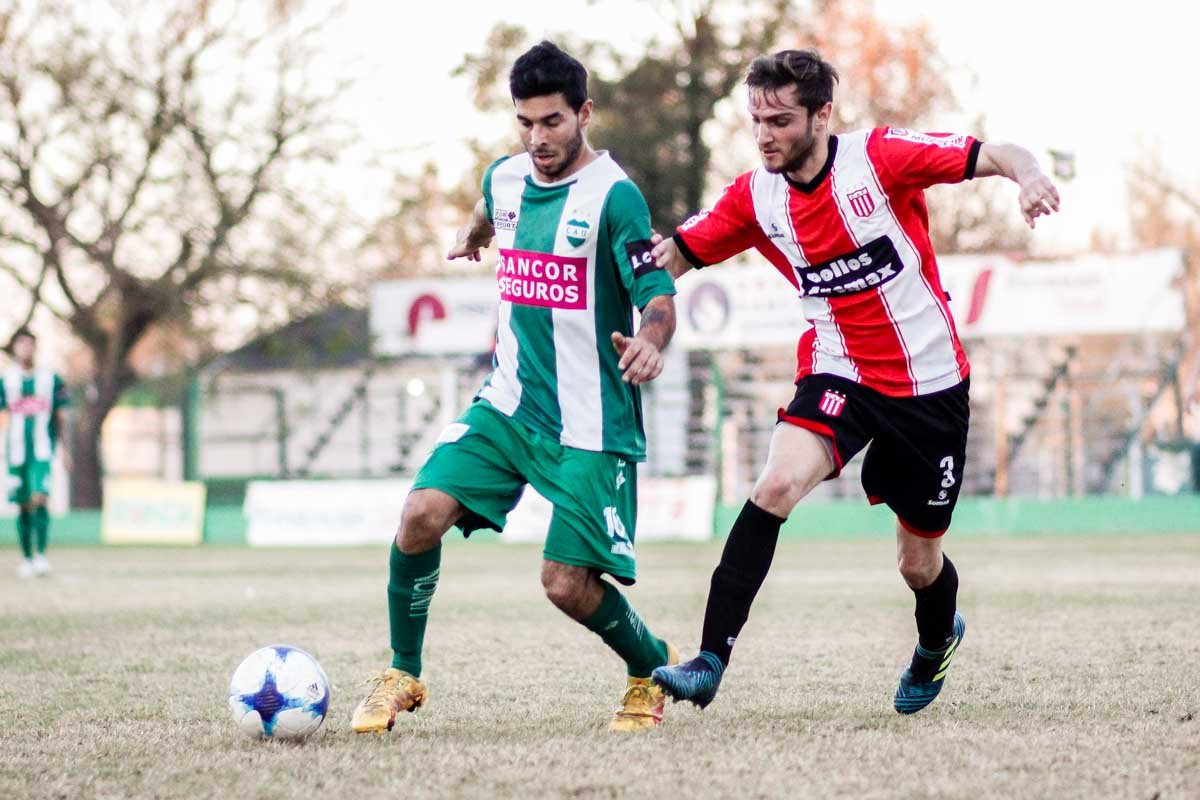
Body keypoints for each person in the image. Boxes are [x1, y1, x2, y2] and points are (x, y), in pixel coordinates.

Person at [648, 49, 1060, 715]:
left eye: (781, 120)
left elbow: (995, 153)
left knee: (917, 564)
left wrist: (1031, 176)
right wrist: (619, 276)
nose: (765, 135)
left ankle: (936, 639)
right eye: (757, 120)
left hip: (930, 383)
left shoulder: (880, 158)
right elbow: (672, 256)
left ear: (822, 116)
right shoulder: (755, 195)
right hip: (838, 368)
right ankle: (709, 659)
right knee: (774, 485)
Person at [352, 41, 680, 734]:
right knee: (419, 515)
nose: (538, 138)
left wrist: (651, 340)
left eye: (552, 121)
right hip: (509, 403)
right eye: (525, 122)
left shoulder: (614, 197)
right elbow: (490, 207)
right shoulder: (505, 178)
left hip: (590, 422)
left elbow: (656, 291)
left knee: (565, 585)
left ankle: (651, 665)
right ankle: (403, 671)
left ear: (584, 113)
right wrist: (474, 236)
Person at [2, 328, 71, 578]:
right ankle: (27, 559)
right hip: (15, 453)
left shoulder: (51, 379)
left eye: (30, 344)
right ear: (14, 348)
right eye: (21, 344)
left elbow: (62, 415)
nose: (26, 348)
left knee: (40, 497)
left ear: (36, 347)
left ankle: (41, 556)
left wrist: (65, 450)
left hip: (42, 452)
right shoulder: (6, 380)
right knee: (22, 505)